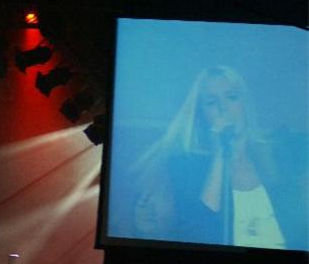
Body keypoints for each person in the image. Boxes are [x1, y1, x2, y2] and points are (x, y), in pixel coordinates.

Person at [130, 65, 307, 250]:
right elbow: (200, 232)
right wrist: (219, 155)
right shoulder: (187, 167)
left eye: (232, 97)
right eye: (211, 102)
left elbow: (299, 227)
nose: (224, 108)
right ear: (201, 115)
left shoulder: (277, 156)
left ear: (244, 104)